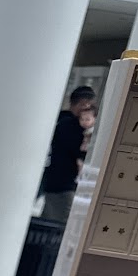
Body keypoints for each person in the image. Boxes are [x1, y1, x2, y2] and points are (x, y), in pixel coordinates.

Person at [39, 85, 96, 225]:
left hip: (56, 180)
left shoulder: (60, 121)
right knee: (60, 222)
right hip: (63, 183)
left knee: (50, 218)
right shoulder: (71, 126)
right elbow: (78, 152)